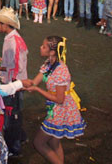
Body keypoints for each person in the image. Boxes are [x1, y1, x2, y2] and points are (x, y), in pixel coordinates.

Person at [26, 36, 86, 164]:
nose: (40, 48)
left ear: (52, 52)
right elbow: (34, 82)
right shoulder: (49, 63)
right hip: (55, 107)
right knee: (54, 141)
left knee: (39, 143)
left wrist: (37, 90)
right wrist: (18, 84)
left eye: (43, 46)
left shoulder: (61, 71)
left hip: (60, 109)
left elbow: (59, 99)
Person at [0, 7, 28, 156]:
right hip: (15, 80)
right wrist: (3, 62)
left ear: (6, 25)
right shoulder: (13, 38)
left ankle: (14, 147)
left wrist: (0, 67)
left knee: (12, 115)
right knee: (14, 114)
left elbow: (14, 66)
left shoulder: (12, 41)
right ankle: (20, 138)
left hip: (14, 82)